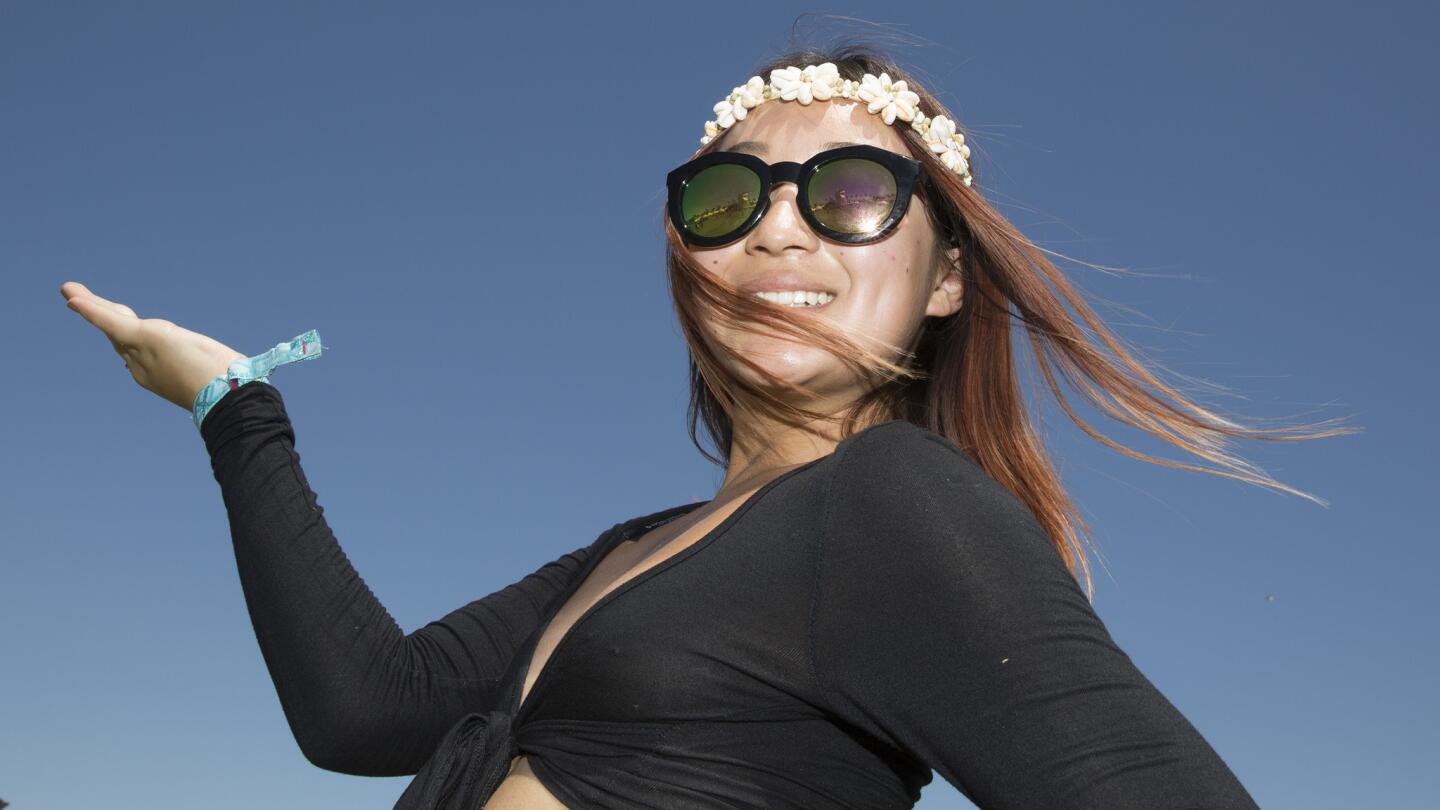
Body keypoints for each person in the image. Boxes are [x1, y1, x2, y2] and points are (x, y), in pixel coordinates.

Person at [62, 44, 1353, 810]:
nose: (778, 226)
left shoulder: (896, 506)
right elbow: (364, 706)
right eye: (733, 194)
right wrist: (236, 404)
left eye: (851, 192)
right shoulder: (638, 547)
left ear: (947, 271)